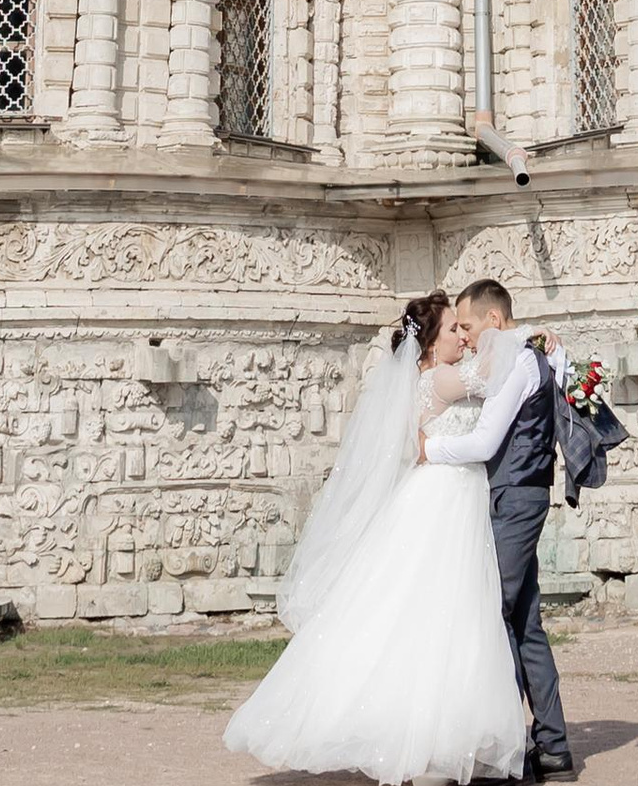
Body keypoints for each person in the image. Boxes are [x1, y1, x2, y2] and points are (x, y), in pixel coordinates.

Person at [226, 291, 531, 785]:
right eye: (454, 329)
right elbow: (496, 371)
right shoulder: (440, 379)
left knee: (426, 614)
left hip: (444, 495)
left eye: (463, 328)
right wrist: (524, 334)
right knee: (443, 616)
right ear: (431, 344)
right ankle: (431, 741)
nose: (464, 336)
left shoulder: (423, 380)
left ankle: (431, 739)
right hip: (444, 499)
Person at [424, 280, 577, 780]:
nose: (465, 336)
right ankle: (551, 746)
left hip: (513, 499)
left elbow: (487, 441)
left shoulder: (516, 359)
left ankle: (500, 749)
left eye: (468, 325)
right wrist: (538, 331)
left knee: (492, 615)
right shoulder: (530, 351)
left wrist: (430, 452)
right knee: (524, 622)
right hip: (520, 495)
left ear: (491, 321)